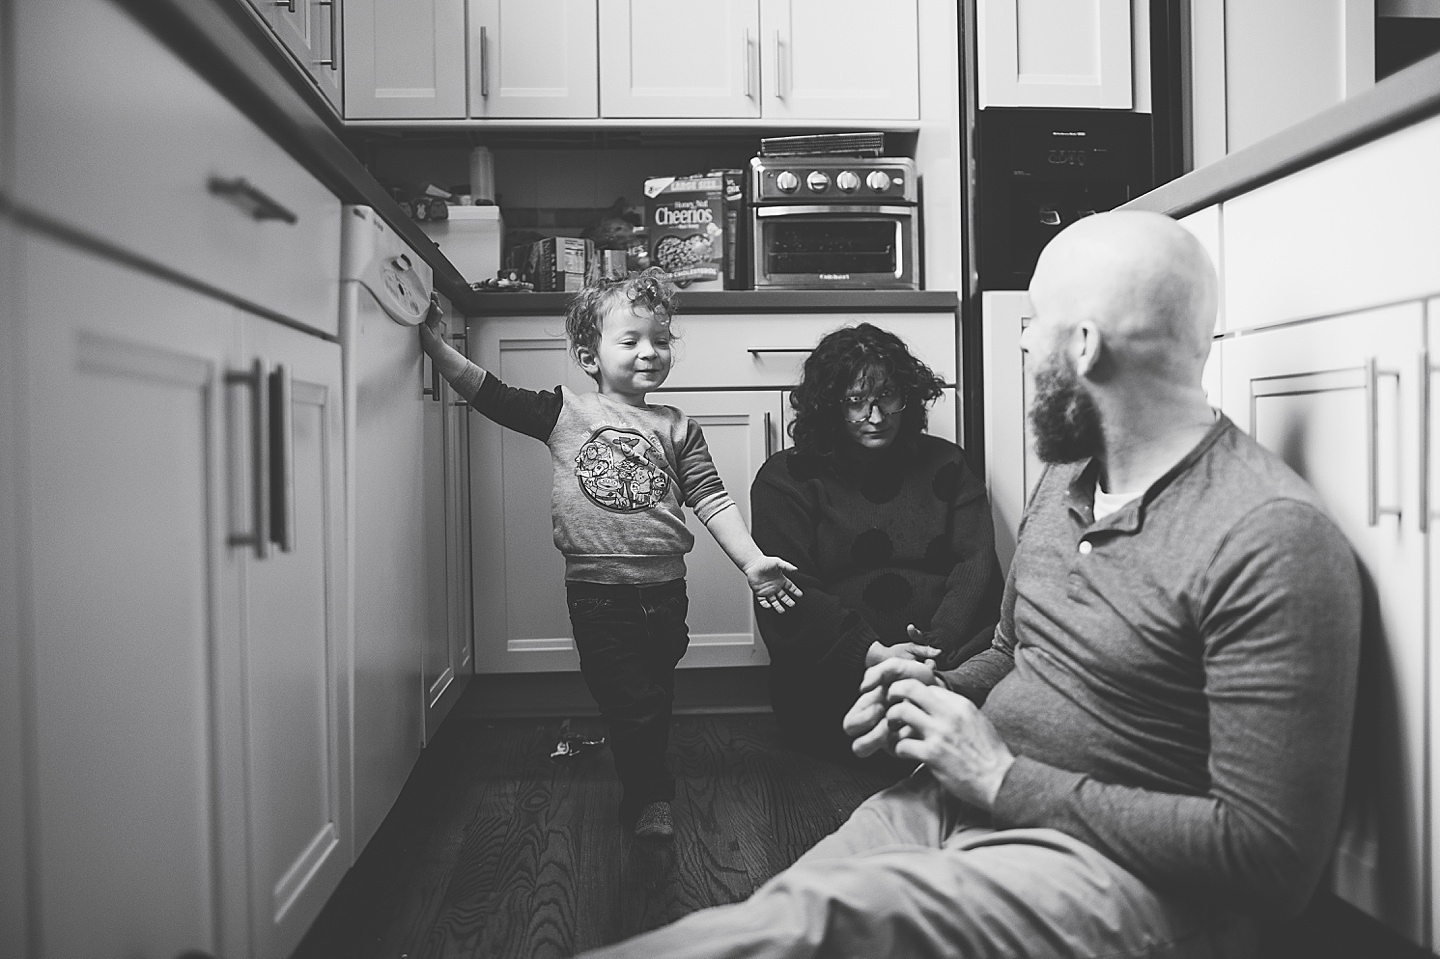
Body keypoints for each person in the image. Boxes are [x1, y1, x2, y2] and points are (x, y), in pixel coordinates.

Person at [572, 210, 1362, 957]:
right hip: (954, 793)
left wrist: (1003, 777)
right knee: (774, 910)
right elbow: (1015, 650)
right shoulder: (1071, 477)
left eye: (1033, 326)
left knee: (810, 930)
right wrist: (931, 691)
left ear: (1084, 345)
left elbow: (1272, 860)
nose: (1024, 348)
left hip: (1101, 865)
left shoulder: (1268, 536)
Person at [419, 269, 802, 840]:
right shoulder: (566, 414)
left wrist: (752, 561)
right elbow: (490, 394)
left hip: (666, 593)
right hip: (598, 596)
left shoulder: (679, 427)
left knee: (654, 692)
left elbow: (711, 499)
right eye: (631, 341)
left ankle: (644, 774)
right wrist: (436, 347)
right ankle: (650, 797)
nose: (650, 352)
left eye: (661, 340)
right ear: (588, 355)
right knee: (630, 700)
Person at [750, 323, 1003, 763]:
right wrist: (873, 655)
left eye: (887, 396)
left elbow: (976, 566)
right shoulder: (786, 477)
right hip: (838, 677)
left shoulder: (946, 462)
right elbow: (790, 593)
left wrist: (933, 651)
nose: (875, 415)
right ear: (830, 406)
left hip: (942, 663)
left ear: (908, 395)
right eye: (855, 401)